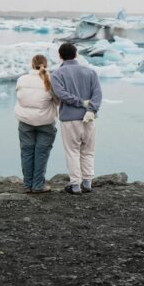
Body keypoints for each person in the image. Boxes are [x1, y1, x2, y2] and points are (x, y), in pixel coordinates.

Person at [50, 42, 102, 194]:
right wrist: (91, 109)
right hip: (89, 118)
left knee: (72, 151)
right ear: (76, 54)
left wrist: (79, 102)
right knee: (88, 150)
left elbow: (61, 94)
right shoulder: (90, 72)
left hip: (70, 119)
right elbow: (98, 94)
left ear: (60, 56)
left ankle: (75, 186)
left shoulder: (57, 74)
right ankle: (87, 183)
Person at [14, 54, 58, 193]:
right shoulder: (50, 80)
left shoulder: (22, 79)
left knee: (26, 153)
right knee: (41, 154)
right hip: (45, 123)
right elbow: (57, 100)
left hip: (25, 122)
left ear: (32, 64)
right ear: (46, 65)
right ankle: (38, 185)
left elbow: (19, 95)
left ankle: (27, 185)